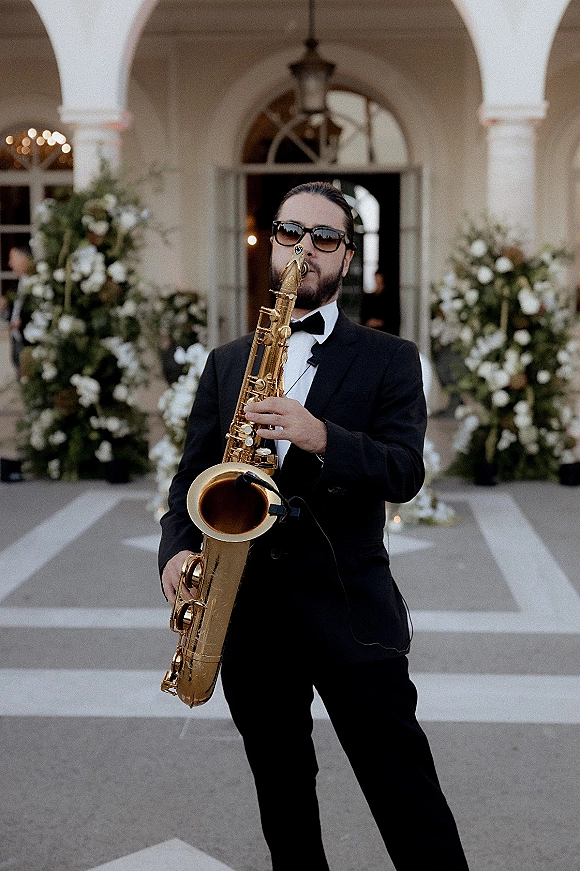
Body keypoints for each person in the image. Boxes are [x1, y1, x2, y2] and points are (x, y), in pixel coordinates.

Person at [158, 181, 470, 871]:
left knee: (406, 795)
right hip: (251, 617)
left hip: (353, 614)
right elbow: (190, 481)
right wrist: (175, 554)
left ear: (346, 259)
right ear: (272, 241)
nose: (305, 247)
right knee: (285, 801)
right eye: (291, 231)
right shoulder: (226, 362)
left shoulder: (391, 359)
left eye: (324, 238)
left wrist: (321, 434)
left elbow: (402, 472)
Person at [6, 244, 33, 372]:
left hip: (30, 343)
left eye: (12, 258)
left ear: (23, 258)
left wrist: (23, 322)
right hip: (17, 342)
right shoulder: (18, 283)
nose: (10, 264)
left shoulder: (36, 283)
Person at [360, 268, 401, 335]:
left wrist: (379, 322)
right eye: (376, 277)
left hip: (386, 333)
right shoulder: (368, 298)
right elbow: (363, 315)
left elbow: (394, 318)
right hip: (371, 332)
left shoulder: (390, 299)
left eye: (379, 277)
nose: (377, 279)